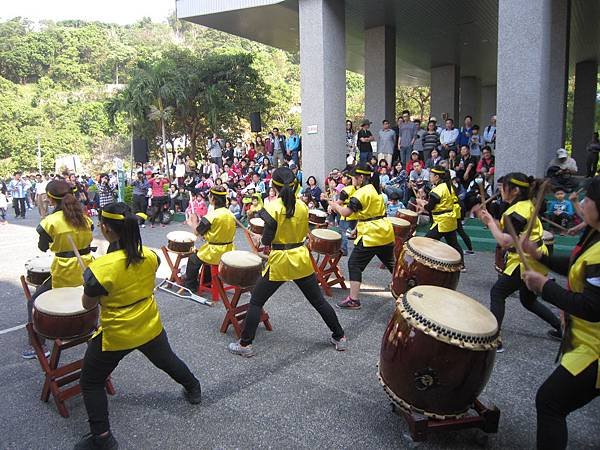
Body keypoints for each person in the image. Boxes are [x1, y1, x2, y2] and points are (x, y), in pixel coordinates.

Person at [75, 202, 201, 450]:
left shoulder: (99, 269)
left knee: (91, 380)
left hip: (117, 332)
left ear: (106, 229)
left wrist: (89, 284)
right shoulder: (151, 256)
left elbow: (88, 304)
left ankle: (102, 438)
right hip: (148, 322)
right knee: (167, 360)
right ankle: (193, 387)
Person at [229, 167, 347, 356]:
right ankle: (340, 336)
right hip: (300, 257)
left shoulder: (272, 207)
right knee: (318, 301)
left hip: (281, 260)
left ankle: (245, 345)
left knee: (256, 301)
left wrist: (262, 240)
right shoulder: (302, 206)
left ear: (274, 186)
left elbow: (267, 240)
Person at [520, 177, 600, 450]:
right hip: (586, 342)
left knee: (550, 401)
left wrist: (545, 286)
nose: (583, 204)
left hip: (596, 350)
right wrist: (541, 258)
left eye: (588, 199)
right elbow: (575, 265)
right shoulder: (594, 234)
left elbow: (592, 308)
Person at [477, 173, 563, 353]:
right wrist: (492, 222)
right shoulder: (524, 205)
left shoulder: (516, 212)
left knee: (498, 292)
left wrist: (490, 223)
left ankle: (494, 340)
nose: (500, 190)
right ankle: (561, 327)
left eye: (503, 187)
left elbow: (505, 242)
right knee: (527, 299)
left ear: (515, 190)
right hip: (535, 257)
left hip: (525, 260)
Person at [23, 180, 94, 359]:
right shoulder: (85, 218)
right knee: (90, 300)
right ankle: (91, 332)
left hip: (64, 270)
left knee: (34, 303)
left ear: (51, 198)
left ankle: (38, 346)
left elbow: (43, 248)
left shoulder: (50, 222)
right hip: (87, 267)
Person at [328, 164, 395, 309]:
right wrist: (356, 229)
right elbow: (370, 214)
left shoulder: (362, 193)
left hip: (372, 235)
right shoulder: (374, 189)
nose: (351, 180)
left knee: (354, 264)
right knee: (392, 264)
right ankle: (405, 289)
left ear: (361, 178)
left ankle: (353, 300)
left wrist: (334, 205)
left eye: (352, 178)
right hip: (384, 231)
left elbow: (346, 213)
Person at [184, 185, 236, 293]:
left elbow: (197, 233)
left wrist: (193, 221)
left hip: (215, 251)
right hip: (230, 249)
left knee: (193, 259)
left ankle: (191, 286)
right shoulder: (230, 214)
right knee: (204, 258)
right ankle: (208, 281)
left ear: (212, 199)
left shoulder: (211, 216)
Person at [416, 166, 464, 261]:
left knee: (427, 240)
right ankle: (461, 264)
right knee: (453, 243)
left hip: (442, 221)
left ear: (437, 177)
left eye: (431, 175)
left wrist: (422, 203)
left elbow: (430, 207)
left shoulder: (437, 190)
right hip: (450, 219)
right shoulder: (449, 186)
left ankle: (424, 263)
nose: (430, 177)